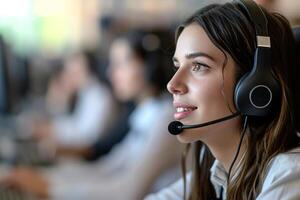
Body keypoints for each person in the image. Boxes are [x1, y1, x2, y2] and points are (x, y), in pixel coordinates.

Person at [1, 29, 182, 200]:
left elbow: (127, 191)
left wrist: (49, 187)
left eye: (120, 64)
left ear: (149, 67)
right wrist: (44, 178)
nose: (111, 73)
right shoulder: (146, 113)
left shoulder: (166, 120)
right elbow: (106, 169)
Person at [145, 0, 300, 200]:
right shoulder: (214, 169)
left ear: (255, 87)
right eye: (177, 66)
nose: (172, 84)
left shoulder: (290, 175)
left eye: (199, 66)